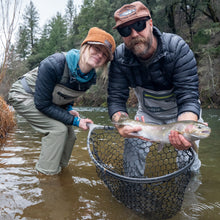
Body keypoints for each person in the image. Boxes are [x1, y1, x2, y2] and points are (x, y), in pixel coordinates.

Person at [107, 1, 202, 176]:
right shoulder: (119, 58)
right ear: (122, 35)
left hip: (181, 113)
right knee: (132, 151)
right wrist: (121, 123)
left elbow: (188, 97)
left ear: (150, 24)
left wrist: (185, 129)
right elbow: (116, 99)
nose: (134, 34)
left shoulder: (177, 48)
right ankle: (132, 189)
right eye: (125, 30)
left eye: (139, 25)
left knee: (188, 160)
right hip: (147, 116)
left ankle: (192, 197)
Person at [8, 27, 116, 175]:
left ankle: (60, 171)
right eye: (96, 49)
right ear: (85, 46)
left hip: (45, 101)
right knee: (58, 130)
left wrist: (68, 108)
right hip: (23, 94)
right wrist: (76, 121)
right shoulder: (54, 64)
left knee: (70, 135)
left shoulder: (90, 79)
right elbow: (42, 104)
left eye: (104, 55)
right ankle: (46, 176)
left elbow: (64, 95)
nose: (99, 55)